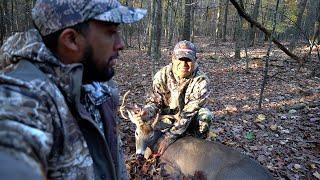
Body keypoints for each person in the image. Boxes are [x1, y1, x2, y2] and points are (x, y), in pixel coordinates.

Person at [0, 0, 146, 179]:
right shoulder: (21, 98)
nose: (120, 44)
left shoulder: (97, 84)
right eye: (111, 32)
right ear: (71, 40)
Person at [141, 40, 214, 155]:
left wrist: (168, 137)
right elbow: (154, 102)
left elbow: (189, 113)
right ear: (173, 59)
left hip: (189, 121)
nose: (184, 64)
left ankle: (196, 146)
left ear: (195, 60)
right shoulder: (161, 75)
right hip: (167, 119)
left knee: (205, 116)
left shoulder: (201, 81)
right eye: (180, 59)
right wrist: (146, 111)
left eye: (188, 60)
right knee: (145, 129)